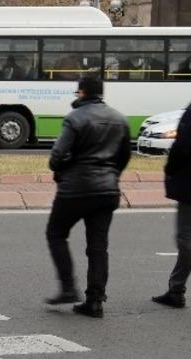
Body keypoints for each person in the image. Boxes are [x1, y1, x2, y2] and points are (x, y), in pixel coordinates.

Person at [44, 75, 131, 318]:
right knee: (98, 245)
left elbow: (56, 156)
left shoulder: (75, 118)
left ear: (81, 92)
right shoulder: (119, 119)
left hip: (75, 190)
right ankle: (95, 300)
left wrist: (61, 170)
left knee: (56, 233)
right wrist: (112, 175)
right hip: (107, 190)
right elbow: (124, 156)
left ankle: (68, 287)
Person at [153, 78, 191, 308]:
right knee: (190, 239)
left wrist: (170, 170)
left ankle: (176, 290)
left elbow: (181, 147)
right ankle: (176, 290)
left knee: (185, 240)